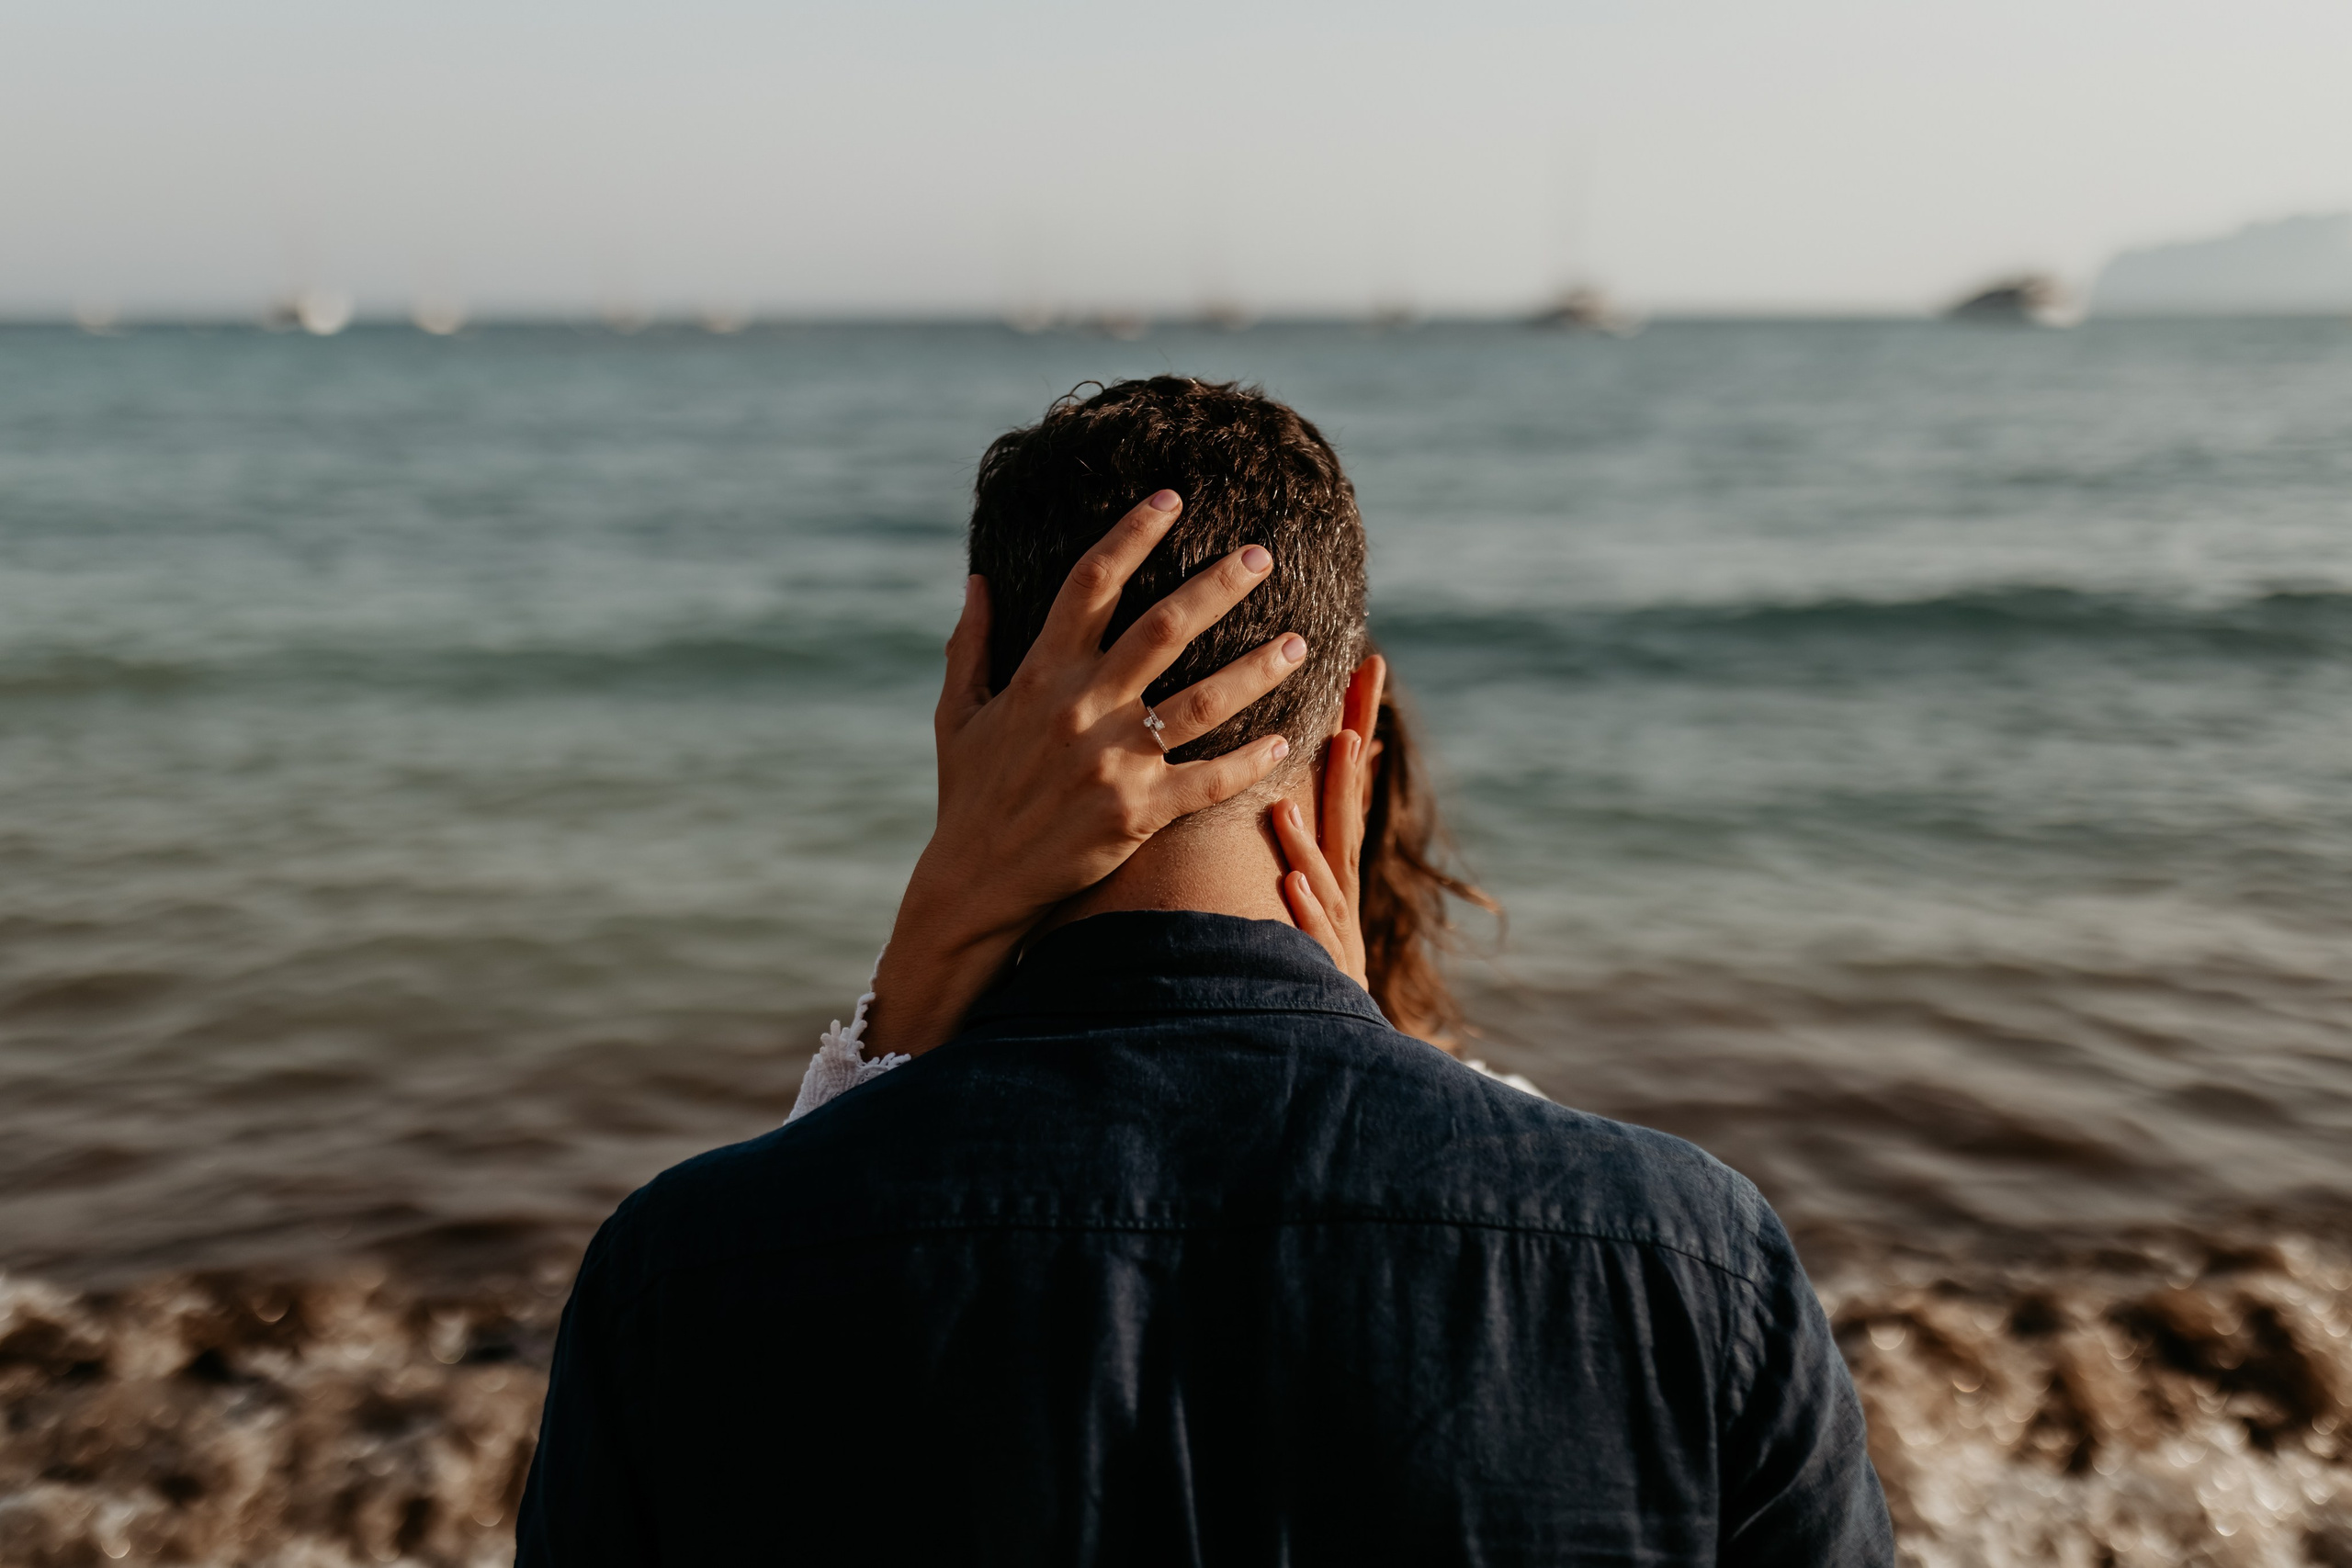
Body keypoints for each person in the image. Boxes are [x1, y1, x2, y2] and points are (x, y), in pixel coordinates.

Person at [516, 378, 1894, 1565]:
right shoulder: (1689, 1261)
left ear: (972, 692)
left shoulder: (682, 1276)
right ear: (1358, 714)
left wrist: (923, 958)